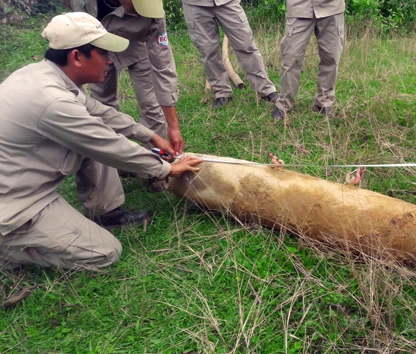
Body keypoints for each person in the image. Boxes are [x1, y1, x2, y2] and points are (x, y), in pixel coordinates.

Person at [0, 13, 203, 270]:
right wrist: (166, 168)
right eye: (103, 53)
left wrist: (150, 135)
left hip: (16, 181)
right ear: (76, 56)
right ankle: (7, 249)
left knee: (94, 131)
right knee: (105, 252)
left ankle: (105, 211)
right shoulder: (53, 102)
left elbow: (101, 113)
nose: (110, 61)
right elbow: (106, 143)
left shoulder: (44, 76)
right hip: (16, 203)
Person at [65, 0, 184, 158]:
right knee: (101, 102)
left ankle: (157, 163)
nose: (139, 13)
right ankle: (112, 160)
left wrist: (174, 126)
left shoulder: (153, 12)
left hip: (135, 44)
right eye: (137, 6)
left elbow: (163, 66)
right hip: (94, 44)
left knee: (150, 104)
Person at [181, 0, 278, 107]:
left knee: (245, 44)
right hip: (195, 5)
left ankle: (265, 89)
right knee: (207, 51)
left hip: (227, 2)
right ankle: (222, 92)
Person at [271, 0, 345, 120]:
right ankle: (284, 103)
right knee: (291, 57)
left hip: (332, 7)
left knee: (331, 57)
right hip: (299, 7)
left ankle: (324, 101)